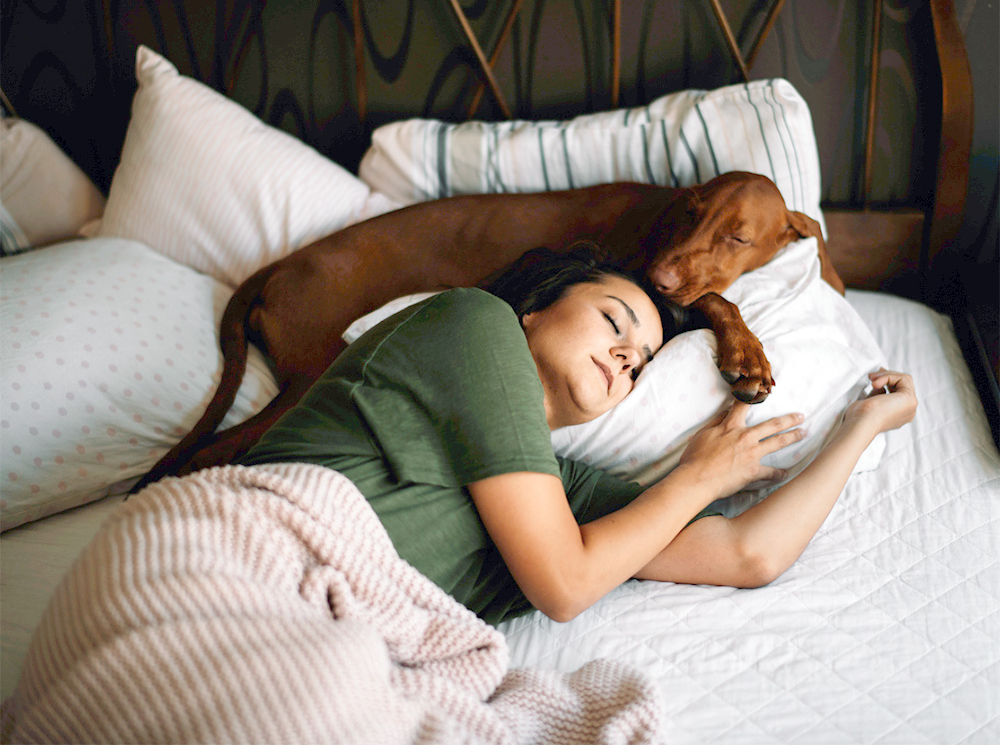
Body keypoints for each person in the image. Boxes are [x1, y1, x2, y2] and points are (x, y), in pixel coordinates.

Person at [240, 246, 917, 625]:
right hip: (244, 558)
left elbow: (750, 555)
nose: (628, 356)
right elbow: (564, 585)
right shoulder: (473, 323)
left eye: (642, 364)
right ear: (534, 311)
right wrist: (698, 478)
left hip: (325, 640)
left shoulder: (562, 501)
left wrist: (861, 426)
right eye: (613, 321)